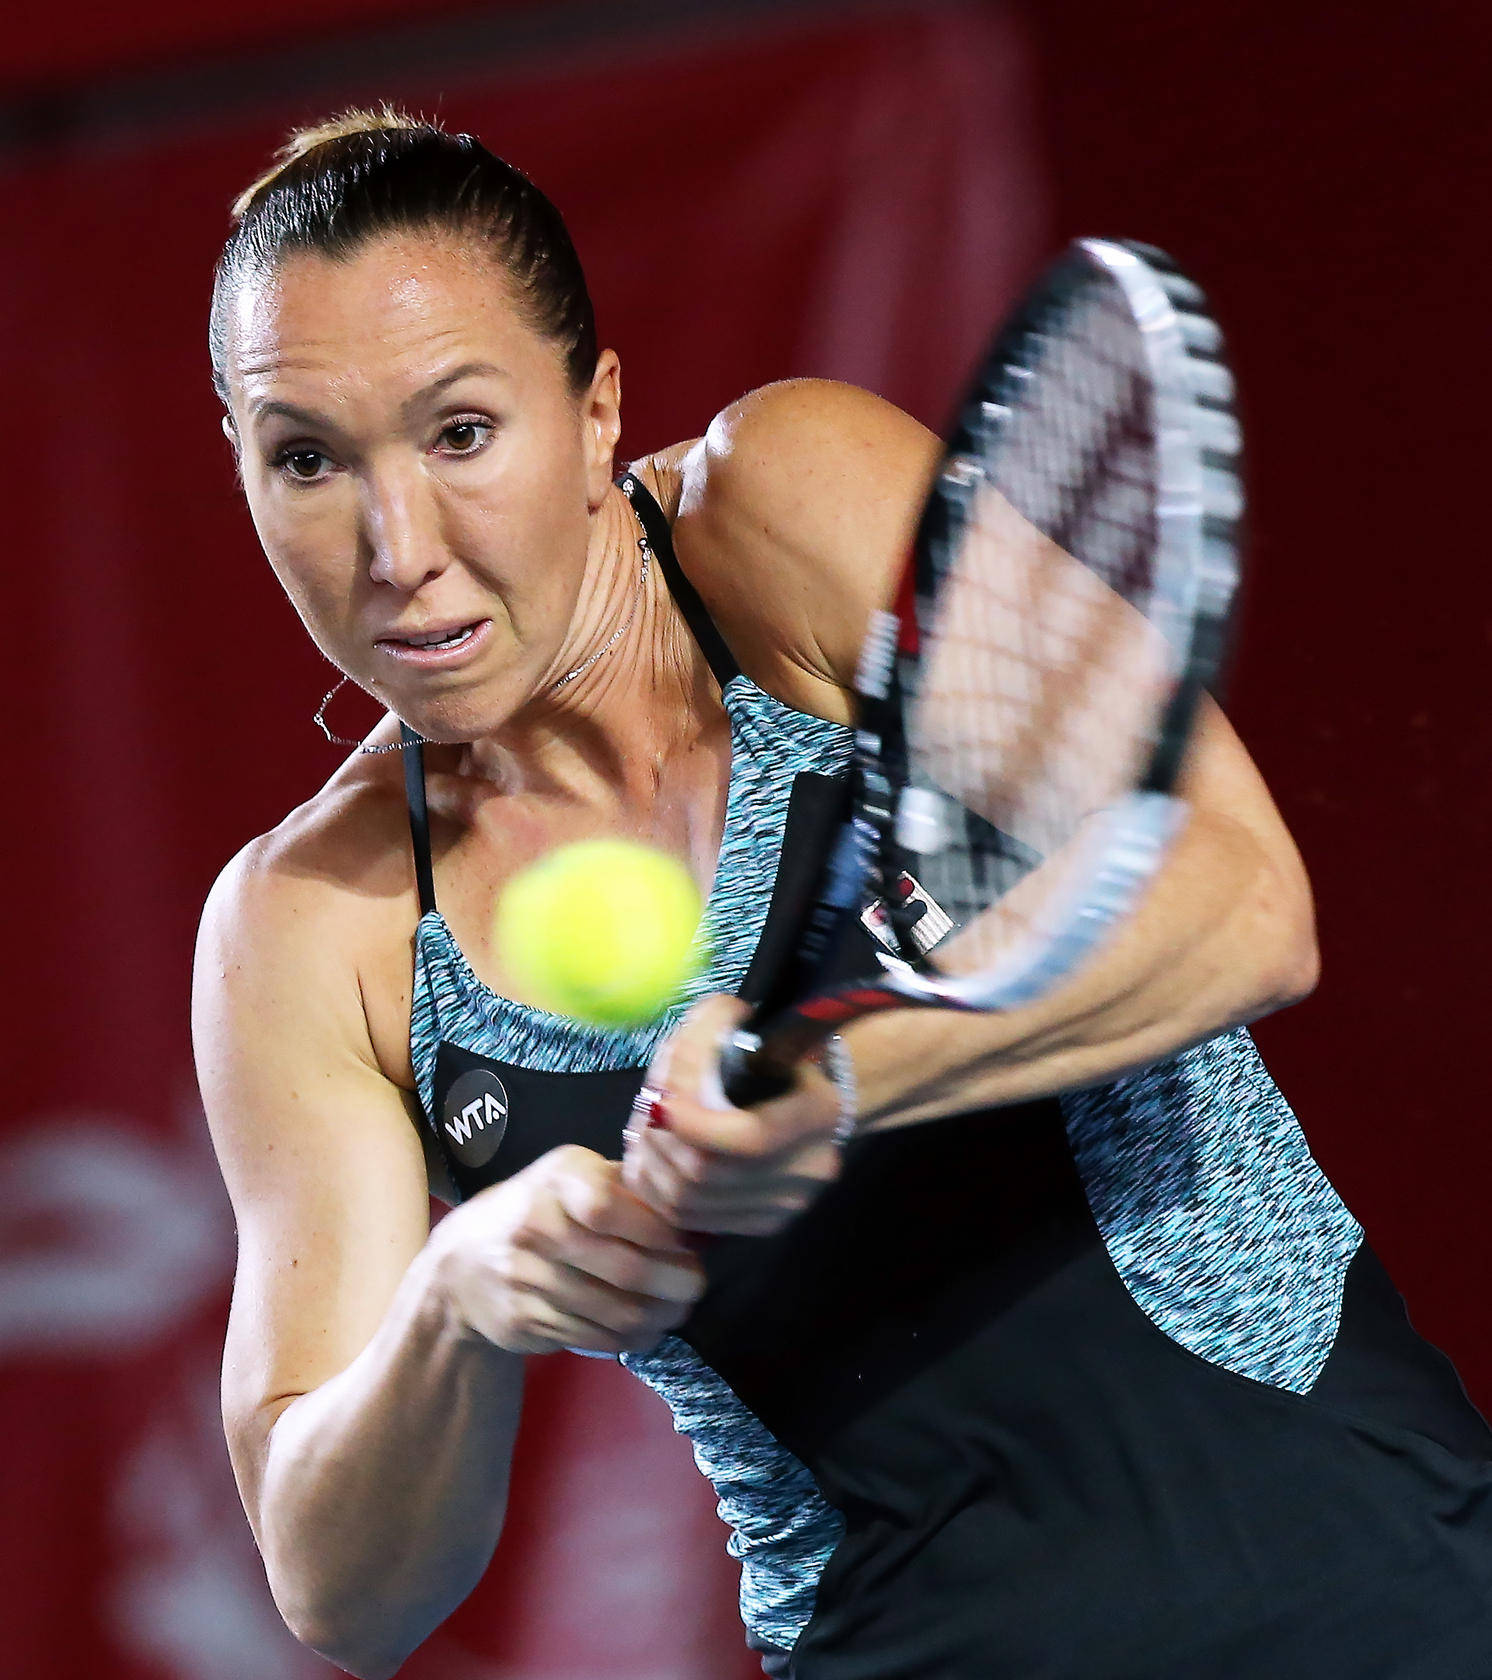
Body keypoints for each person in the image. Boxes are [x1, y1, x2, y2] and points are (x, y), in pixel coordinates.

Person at [192, 109, 1492, 1680]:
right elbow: (342, 1591)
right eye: (310, 459)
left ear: (596, 412)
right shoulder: (310, 926)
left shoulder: (782, 507)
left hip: (1362, 1577)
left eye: (462, 433)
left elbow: (1236, 894)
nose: (397, 547)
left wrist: (841, 1076)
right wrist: (456, 1308)